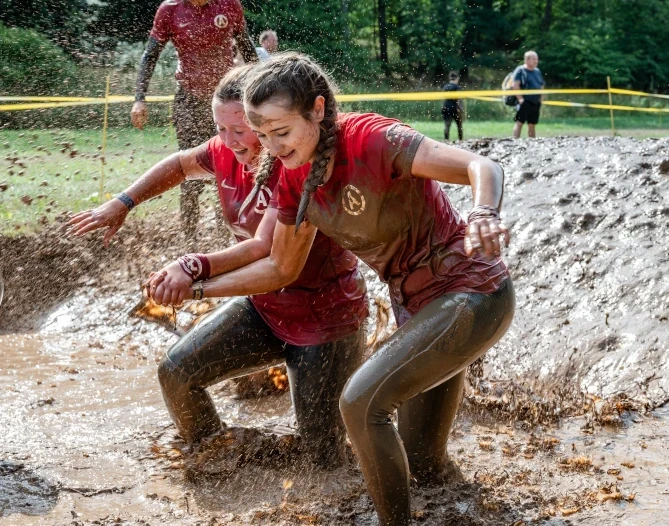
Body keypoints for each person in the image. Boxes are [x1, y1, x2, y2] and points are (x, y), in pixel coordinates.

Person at [148, 53, 515, 525]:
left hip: (471, 292)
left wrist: (483, 213)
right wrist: (199, 289)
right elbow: (279, 266)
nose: (273, 148)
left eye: (282, 133)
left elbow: (480, 167)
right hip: (416, 310)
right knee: (425, 468)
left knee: (360, 404)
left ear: (318, 110)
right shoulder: (293, 175)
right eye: (262, 137)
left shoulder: (372, 138)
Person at [68, 66, 369, 468]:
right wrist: (123, 202)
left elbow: (265, 248)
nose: (230, 142)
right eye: (220, 129)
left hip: (324, 317)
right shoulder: (223, 151)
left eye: (241, 129)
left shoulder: (296, 158)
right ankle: (220, 459)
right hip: (265, 304)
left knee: (324, 457)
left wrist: (192, 269)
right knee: (177, 373)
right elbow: (178, 164)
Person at [131, 0, 259, 245]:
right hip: (189, 100)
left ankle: (228, 239)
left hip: (226, 101)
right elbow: (150, 56)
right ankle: (189, 242)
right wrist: (139, 98)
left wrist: (263, 90)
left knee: (231, 169)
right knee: (190, 171)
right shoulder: (170, 9)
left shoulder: (229, 5)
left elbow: (247, 48)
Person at [512, 50, 544, 139]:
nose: (536, 61)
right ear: (527, 60)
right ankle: (515, 141)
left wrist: (541, 100)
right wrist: (521, 99)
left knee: (532, 124)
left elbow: (541, 85)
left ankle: (532, 142)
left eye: (536, 59)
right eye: (533, 59)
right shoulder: (521, 70)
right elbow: (515, 85)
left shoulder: (537, 71)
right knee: (519, 122)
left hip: (535, 102)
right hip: (525, 101)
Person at [441, 71, 464, 141]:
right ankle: (461, 141)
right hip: (455, 108)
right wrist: (461, 108)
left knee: (447, 126)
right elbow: (459, 98)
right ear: (457, 78)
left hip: (446, 107)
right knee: (459, 126)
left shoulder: (445, 87)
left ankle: (446, 140)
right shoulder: (457, 87)